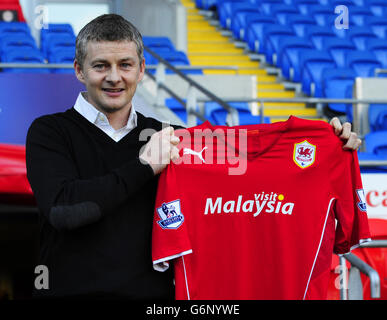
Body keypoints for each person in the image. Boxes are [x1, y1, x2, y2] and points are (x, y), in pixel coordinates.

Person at [26, 14, 361, 299]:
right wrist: (145, 166)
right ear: (79, 71)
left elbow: (249, 160)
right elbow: (64, 210)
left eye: (125, 65)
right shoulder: (49, 132)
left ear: (141, 70)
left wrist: (323, 144)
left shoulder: (174, 136)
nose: (115, 77)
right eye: (101, 66)